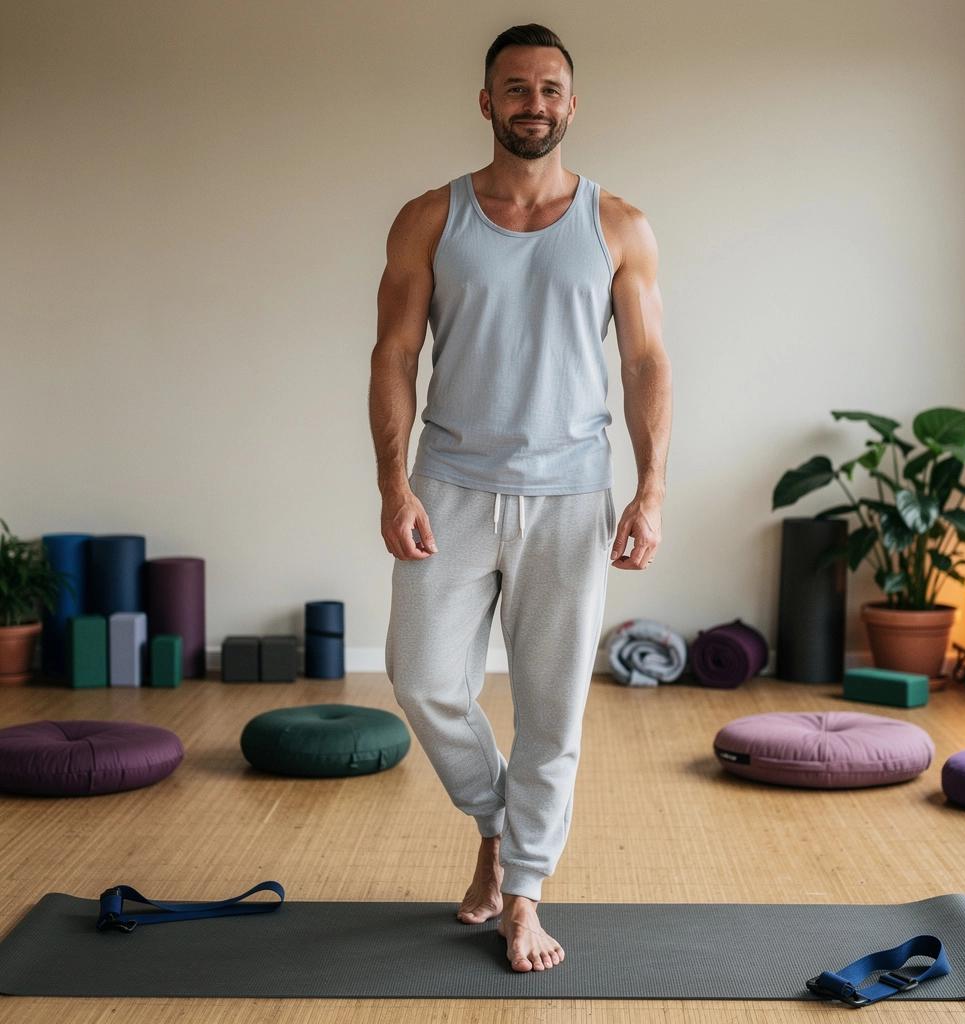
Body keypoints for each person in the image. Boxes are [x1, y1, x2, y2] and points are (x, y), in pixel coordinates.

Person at [369, 22, 671, 973]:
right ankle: (497, 827)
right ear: (486, 102)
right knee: (422, 680)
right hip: (449, 486)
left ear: (570, 104)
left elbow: (647, 361)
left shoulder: (618, 224)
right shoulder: (429, 216)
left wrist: (650, 491)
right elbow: (393, 355)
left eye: (548, 89)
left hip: (571, 496)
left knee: (552, 711)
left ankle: (521, 891)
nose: (532, 104)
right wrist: (391, 482)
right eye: (514, 88)